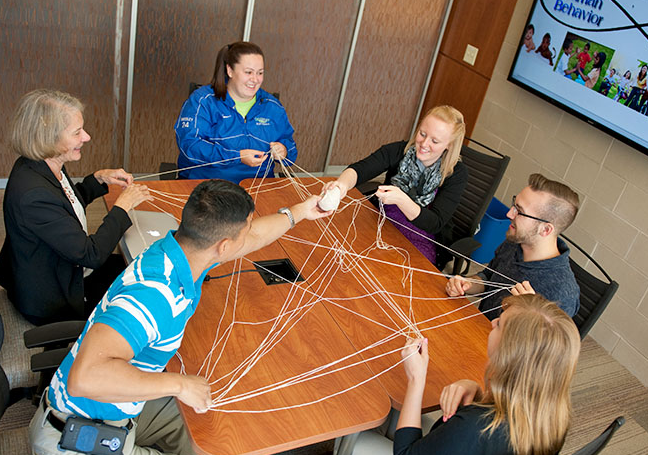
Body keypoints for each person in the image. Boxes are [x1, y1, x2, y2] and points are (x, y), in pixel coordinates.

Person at [30, 179, 331, 455]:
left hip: (106, 412)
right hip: (72, 453)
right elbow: (85, 376)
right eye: (244, 230)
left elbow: (247, 239)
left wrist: (299, 211)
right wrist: (178, 383)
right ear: (222, 244)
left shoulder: (181, 252)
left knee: (208, 425)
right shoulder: (156, 294)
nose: (248, 236)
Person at [344, 293, 580, 455]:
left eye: (499, 324)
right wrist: (477, 391)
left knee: (352, 440)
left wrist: (416, 380)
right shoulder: (551, 417)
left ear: (509, 353)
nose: (492, 323)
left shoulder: (476, 428)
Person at [0, 89, 152, 325]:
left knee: (140, 267)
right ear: (49, 138)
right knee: (146, 294)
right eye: (77, 132)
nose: (86, 137)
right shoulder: (34, 195)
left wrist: (98, 179)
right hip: (52, 298)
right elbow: (92, 255)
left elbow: (65, 205)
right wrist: (122, 207)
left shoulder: (43, 165)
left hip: (59, 267)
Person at [322, 105, 467, 265]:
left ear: (449, 145)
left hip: (419, 236)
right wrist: (341, 184)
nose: (424, 143)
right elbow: (360, 169)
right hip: (382, 219)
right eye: (422, 134)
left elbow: (434, 223)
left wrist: (402, 200)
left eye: (434, 141)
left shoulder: (456, 174)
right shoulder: (399, 150)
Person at [445, 173, 580, 319]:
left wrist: (529, 316)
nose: (509, 214)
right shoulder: (515, 241)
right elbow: (489, 277)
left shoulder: (562, 293)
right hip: (480, 327)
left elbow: (543, 342)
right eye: (514, 205)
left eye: (520, 212)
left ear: (545, 229)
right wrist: (468, 284)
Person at [174, 42, 297, 183]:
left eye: (260, 73)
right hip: (208, 185)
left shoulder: (272, 106)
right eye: (248, 72)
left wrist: (284, 151)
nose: (255, 79)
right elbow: (190, 145)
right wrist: (236, 157)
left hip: (257, 186)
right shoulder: (203, 100)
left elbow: (290, 147)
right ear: (230, 70)